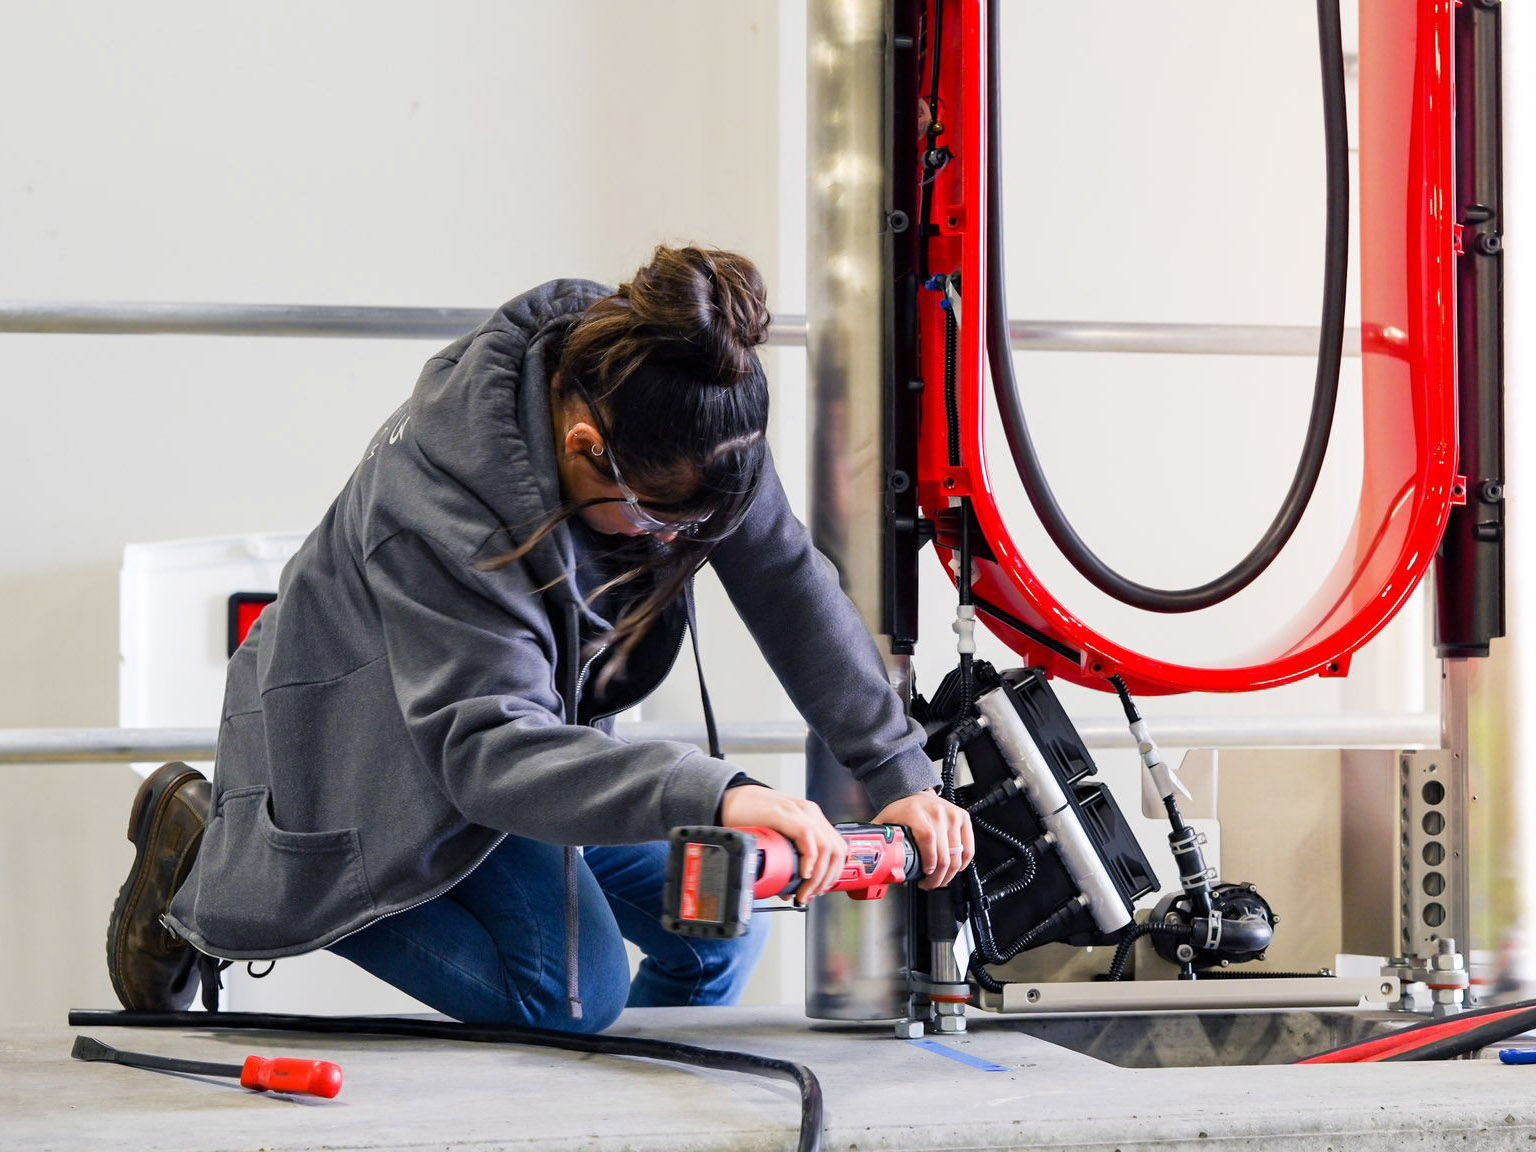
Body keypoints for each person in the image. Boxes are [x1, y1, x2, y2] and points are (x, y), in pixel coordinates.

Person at [106, 245, 974, 1033]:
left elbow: (785, 579)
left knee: (718, 936)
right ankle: (219, 859)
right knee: (566, 998)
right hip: (364, 761)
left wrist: (897, 772)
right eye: (658, 524)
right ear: (584, 446)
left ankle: (631, 1121)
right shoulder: (442, 506)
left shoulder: (673, 404)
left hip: (511, 743)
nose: (673, 545)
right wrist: (720, 793)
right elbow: (487, 749)